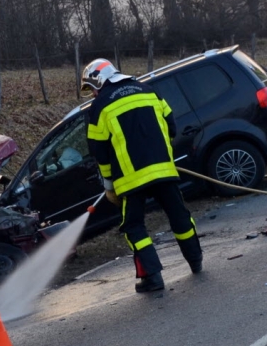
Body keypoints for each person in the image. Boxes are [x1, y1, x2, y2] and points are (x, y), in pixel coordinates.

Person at [82, 58, 202, 294]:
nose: (93, 94)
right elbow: (171, 127)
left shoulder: (99, 107)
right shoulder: (149, 91)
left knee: (133, 226)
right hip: (164, 171)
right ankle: (195, 261)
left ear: (99, 81)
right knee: (179, 216)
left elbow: (100, 152)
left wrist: (109, 185)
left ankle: (153, 278)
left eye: (92, 88)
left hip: (131, 180)